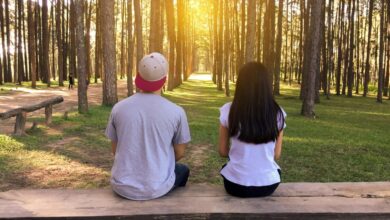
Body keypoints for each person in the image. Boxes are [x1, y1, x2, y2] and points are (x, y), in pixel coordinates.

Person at [105, 52, 191, 200]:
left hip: (121, 185)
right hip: (157, 187)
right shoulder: (176, 112)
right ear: (164, 80)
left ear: (138, 77)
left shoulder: (118, 108)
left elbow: (115, 150)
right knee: (182, 170)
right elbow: (180, 153)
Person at [218, 62, 286, 198]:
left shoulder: (228, 110)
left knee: (227, 169)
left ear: (240, 85)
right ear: (266, 85)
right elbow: (276, 155)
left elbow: (223, 151)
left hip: (235, 185)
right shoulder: (278, 113)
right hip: (268, 185)